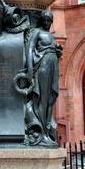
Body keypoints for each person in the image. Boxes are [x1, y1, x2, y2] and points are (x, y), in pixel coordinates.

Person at [24, 10, 63, 146]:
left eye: (49, 21)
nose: (47, 23)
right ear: (41, 21)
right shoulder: (37, 32)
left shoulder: (50, 36)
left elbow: (52, 50)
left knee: (51, 98)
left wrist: (58, 52)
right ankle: (41, 132)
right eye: (45, 20)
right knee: (43, 98)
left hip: (53, 67)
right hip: (43, 66)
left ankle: (46, 129)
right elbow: (29, 50)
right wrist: (29, 70)